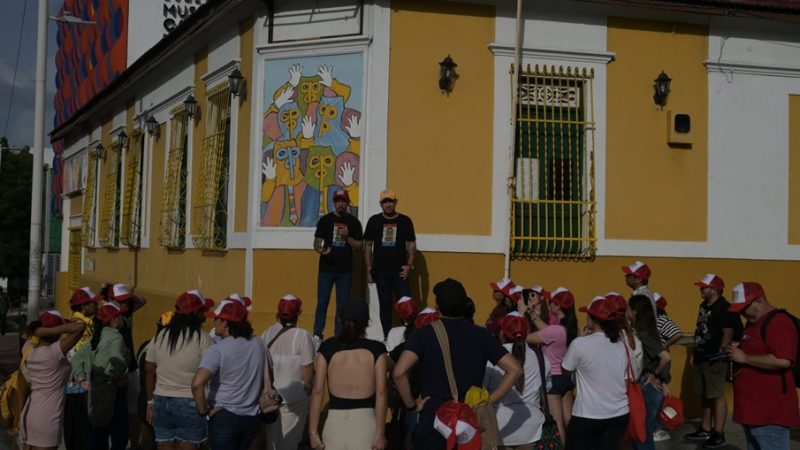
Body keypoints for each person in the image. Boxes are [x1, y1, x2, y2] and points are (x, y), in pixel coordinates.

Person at [392, 278, 522, 449]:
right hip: (468, 420)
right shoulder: (481, 335)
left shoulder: (424, 334)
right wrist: (488, 400)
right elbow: (515, 369)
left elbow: (399, 372)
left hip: (434, 420)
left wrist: (411, 404)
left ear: (438, 306)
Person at [724, 282, 800, 450]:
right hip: (753, 411)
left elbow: (783, 360)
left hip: (769, 413)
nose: (742, 314)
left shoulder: (779, 322)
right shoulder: (752, 324)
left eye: (744, 309)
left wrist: (744, 358)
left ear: (758, 302)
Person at [309, 299, 387, 450]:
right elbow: (382, 392)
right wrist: (380, 433)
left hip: (333, 425)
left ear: (340, 320)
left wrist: (313, 432)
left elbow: (317, 391)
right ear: (366, 322)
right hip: (366, 425)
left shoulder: (327, 348)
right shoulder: (377, 349)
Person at [192, 300, 268, 450]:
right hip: (252, 417)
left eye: (216, 319)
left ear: (225, 323)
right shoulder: (259, 344)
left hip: (224, 416)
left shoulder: (218, 349)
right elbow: (268, 374)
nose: (214, 323)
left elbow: (197, 383)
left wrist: (203, 411)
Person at [144, 290, 215, 449]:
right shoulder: (203, 339)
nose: (205, 314)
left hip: (161, 400)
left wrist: (150, 401)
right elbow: (211, 374)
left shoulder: (160, 336)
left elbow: (149, 369)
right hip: (190, 402)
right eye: (203, 310)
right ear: (196, 312)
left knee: (164, 443)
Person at [561, 296, 629, 450]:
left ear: (592, 319)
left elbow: (565, 369)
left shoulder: (580, 344)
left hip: (588, 414)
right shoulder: (622, 344)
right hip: (618, 413)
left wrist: (578, 339)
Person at [19, 310, 86, 450]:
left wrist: (42, 331)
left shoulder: (29, 349)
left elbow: (28, 334)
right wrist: (50, 330)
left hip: (29, 413)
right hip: (48, 417)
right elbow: (80, 327)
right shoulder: (55, 353)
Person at [688, 274, 741, 449]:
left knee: (717, 395)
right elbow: (700, 329)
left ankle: (718, 433)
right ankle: (705, 428)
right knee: (705, 393)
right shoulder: (704, 305)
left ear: (715, 289)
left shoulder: (724, 307)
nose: (701, 290)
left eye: (704, 287)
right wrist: (695, 352)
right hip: (702, 355)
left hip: (714, 359)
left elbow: (728, 333)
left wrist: (720, 357)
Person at [485, 311, 549, 449]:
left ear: (502, 332)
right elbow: (546, 389)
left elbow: (483, 388)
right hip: (531, 426)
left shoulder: (492, 359)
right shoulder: (542, 359)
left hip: (500, 424)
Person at [521, 287, 577, 445]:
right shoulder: (567, 328)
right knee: (569, 420)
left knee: (556, 421)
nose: (549, 305)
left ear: (558, 306)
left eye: (552, 302)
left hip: (553, 377)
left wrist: (522, 314)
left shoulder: (556, 330)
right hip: (567, 377)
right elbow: (546, 329)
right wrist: (532, 313)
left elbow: (525, 337)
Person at [260, 295, 315, 450]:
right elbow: (308, 367)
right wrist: (309, 387)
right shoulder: (302, 335)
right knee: (290, 441)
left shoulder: (267, 333)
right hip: (296, 396)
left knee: (272, 441)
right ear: (298, 314)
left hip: (271, 395)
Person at [364, 189, 417, 338]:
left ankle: (409, 337)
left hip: (400, 271)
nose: (388, 205)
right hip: (380, 271)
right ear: (381, 204)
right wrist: (369, 270)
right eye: (385, 202)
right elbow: (368, 246)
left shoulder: (405, 221)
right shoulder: (374, 221)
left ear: (396, 202)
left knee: (406, 305)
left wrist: (409, 266)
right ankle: (388, 338)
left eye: (390, 201)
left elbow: (412, 245)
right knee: (385, 306)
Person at [313, 189, 363, 343]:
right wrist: (320, 249)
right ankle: (317, 334)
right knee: (322, 302)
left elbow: (359, 245)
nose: (340, 204)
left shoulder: (354, 222)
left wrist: (347, 236)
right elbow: (316, 242)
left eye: (343, 201)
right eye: (338, 201)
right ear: (333, 202)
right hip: (326, 269)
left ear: (348, 203)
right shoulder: (325, 220)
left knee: (342, 305)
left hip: (345, 270)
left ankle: (339, 335)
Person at [101, 282, 148, 449]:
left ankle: (133, 445)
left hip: (130, 368)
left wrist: (127, 295)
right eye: (119, 301)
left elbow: (143, 301)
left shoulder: (126, 312)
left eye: (125, 301)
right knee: (112, 413)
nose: (124, 304)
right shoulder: (103, 317)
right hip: (114, 373)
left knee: (134, 411)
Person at [628, 295, 672, 450]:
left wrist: (654, 374)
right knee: (644, 429)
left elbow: (665, 357)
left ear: (635, 312)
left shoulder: (644, 334)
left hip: (648, 387)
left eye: (628, 309)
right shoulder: (648, 330)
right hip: (651, 386)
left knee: (644, 431)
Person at [90, 301, 133, 450]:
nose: (123, 318)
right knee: (120, 434)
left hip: (98, 388)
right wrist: (121, 375)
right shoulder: (116, 337)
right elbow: (116, 358)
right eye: (120, 315)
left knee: (100, 432)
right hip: (112, 389)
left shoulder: (100, 334)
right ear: (114, 320)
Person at [64, 287, 100, 450]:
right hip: (78, 384)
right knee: (80, 427)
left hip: (73, 383)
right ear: (84, 306)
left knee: (74, 425)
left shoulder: (82, 323)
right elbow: (77, 356)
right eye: (93, 303)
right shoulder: (82, 327)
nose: (97, 304)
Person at [652, 293, 682, 442]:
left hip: (661, 361)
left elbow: (677, 333)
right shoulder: (651, 320)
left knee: (659, 392)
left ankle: (661, 428)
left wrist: (665, 345)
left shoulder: (662, 320)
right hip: (655, 361)